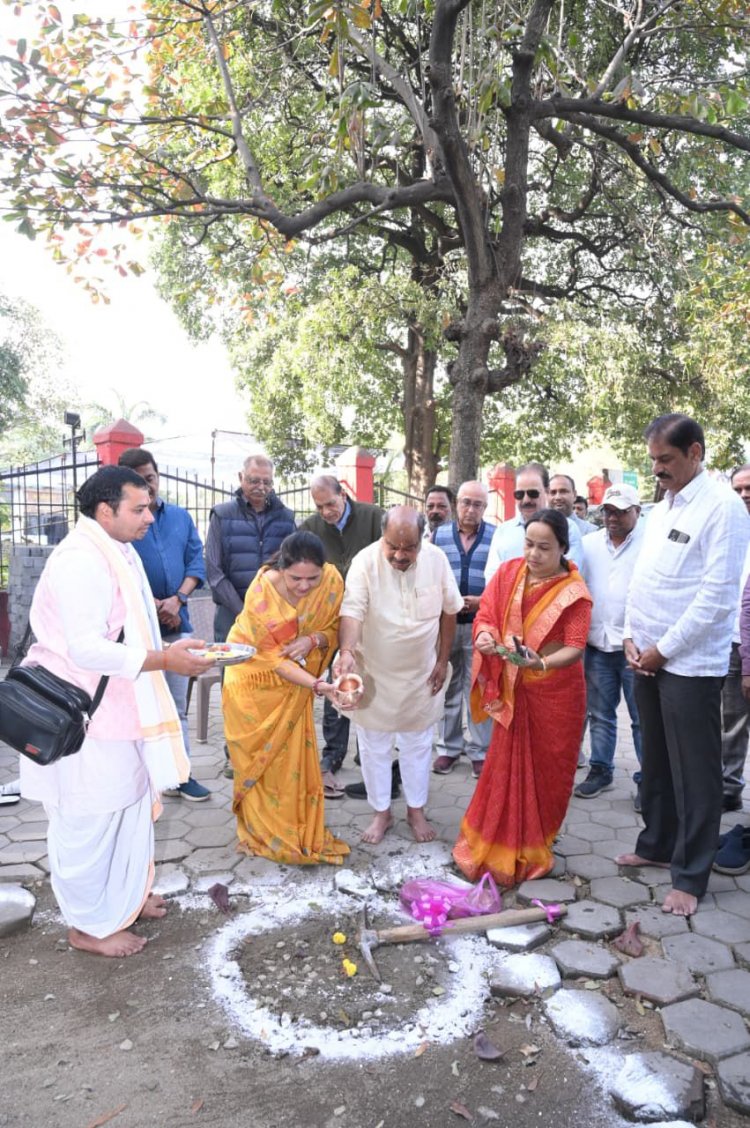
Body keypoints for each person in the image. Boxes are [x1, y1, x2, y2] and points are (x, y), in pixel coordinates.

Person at [18, 466, 214, 957]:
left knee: (127, 807)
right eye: (139, 508)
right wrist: (165, 660)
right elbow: (87, 650)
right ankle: (88, 927)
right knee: (89, 819)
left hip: (119, 710)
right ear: (105, 511)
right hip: (85, 715)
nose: (150, 516)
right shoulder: (81, 560)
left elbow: (132, 628)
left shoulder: (117, 549)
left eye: (149, 506)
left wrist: (171, 645)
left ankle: (123, 898)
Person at [619, 414, 749, 917]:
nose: (657, 470)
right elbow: (644, 577)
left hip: (689, 663)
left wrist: (665, 648)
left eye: (665, 460)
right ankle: (655, 845)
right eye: (652, 460)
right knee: (654, 758)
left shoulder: (723, 508)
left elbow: (718, 598)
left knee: (695, 772)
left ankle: (691, 876)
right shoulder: (664, 505)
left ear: (695, 452)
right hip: (647, 654)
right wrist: (631, 632)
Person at [453, 508, 592, 886]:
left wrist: (541, 663)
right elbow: (486, 614)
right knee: (504, 769)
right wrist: (483, 636)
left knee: (546, 774)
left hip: (555, 696)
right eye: (529, 544)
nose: (533, 554)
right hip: (514, 692)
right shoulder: (509, 572)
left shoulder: (574, 593)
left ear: (563, 547)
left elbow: (576, 648)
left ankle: (534, 844)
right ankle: (492, 844)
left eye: (544, 548)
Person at [336, 506, 463, 844]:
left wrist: (442, 660)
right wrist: (346, 652)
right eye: (393, 546)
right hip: (374, 672)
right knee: (374, 744)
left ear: (423, 539)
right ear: (383, 537)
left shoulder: (436, 560)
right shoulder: (365, 561)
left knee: (418, 744)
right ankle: (381, 813)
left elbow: (450, 612)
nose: (400, 555)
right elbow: (352, 611)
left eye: (409, 548)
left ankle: (415, 810)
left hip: (421, 673)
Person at [222, 531, 349, 865]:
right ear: (282, 567)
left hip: (297, 685)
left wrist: (313, 641)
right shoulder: (261, 593)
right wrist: (319, 685)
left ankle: (294, 827)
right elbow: (274, 661)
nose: (305, 587)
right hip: (253, 686)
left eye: (313, 578)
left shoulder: (332, 582)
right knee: (263, 765)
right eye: (296, 578)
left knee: (291, 766)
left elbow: (337, 627)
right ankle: (263, 832)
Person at [118, 447, 211, 802]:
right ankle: (143, 782)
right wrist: (152, 606)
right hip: (136, 633)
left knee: (176, 706)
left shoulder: (181, 518)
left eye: (151, 478)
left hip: (178, 624)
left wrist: (177, 600)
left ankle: (180, 774)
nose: (148, 485)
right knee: (138, 707)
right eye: (139, 480)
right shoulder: (122, 523)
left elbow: (196, 564)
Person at [300, 475, 383, 794]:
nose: (326, 512)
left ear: (344, 496)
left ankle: (371, 758)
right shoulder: (309, 527)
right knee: (339, 685)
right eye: (319, 507)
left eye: (331, 504)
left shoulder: (373, 518)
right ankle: (332, 757)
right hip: (333, 622)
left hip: (374, 620)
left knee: (371, 686)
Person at [575, 484, 644, 805]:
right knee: (601, 714)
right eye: (608, 510)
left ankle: (650, 780)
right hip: (597, 645)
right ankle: (601, 768)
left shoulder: (651, 543)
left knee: (643, 719)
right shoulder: (588, 544)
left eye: (620, 511)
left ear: (637, 512)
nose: (612, 517)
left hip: (638, 648)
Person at [432, 481, 495, 779]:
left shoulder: (496, 536)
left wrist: (482, 601)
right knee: (447, 686)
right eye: (466, 502)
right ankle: (448, 748)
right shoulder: (439, 535)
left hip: (480, 627)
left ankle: (481, 751)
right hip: (445, 625)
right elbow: (430, 575)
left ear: (486, 507)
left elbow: (502, 582)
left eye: (478, 504)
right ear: (457, 503)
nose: (471, 509)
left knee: (479, 688)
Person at [205, 454, 296, 643]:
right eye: (254, 481)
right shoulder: (222, 515)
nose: (261, 487)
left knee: (273, 670)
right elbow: (214, 572)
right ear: (241, 477)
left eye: (267, 482)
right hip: (232, 613)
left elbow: (294, 565)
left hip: (275, 614)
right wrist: (245, 610)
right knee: (233, 669)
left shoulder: (286, 518)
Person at [484, 463, 584, 582]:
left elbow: (570, 573)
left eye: (533, 494)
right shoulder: (503, 531)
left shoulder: (568, 528)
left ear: (547, 491)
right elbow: (492, 577)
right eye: (519, 494)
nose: (526, 500)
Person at [719, 464, 750, 813]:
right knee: (732, 721)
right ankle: (729, 787)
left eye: (749, 488)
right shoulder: (727, 530)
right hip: (731, 642)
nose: (744, 495)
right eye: (738, 489)